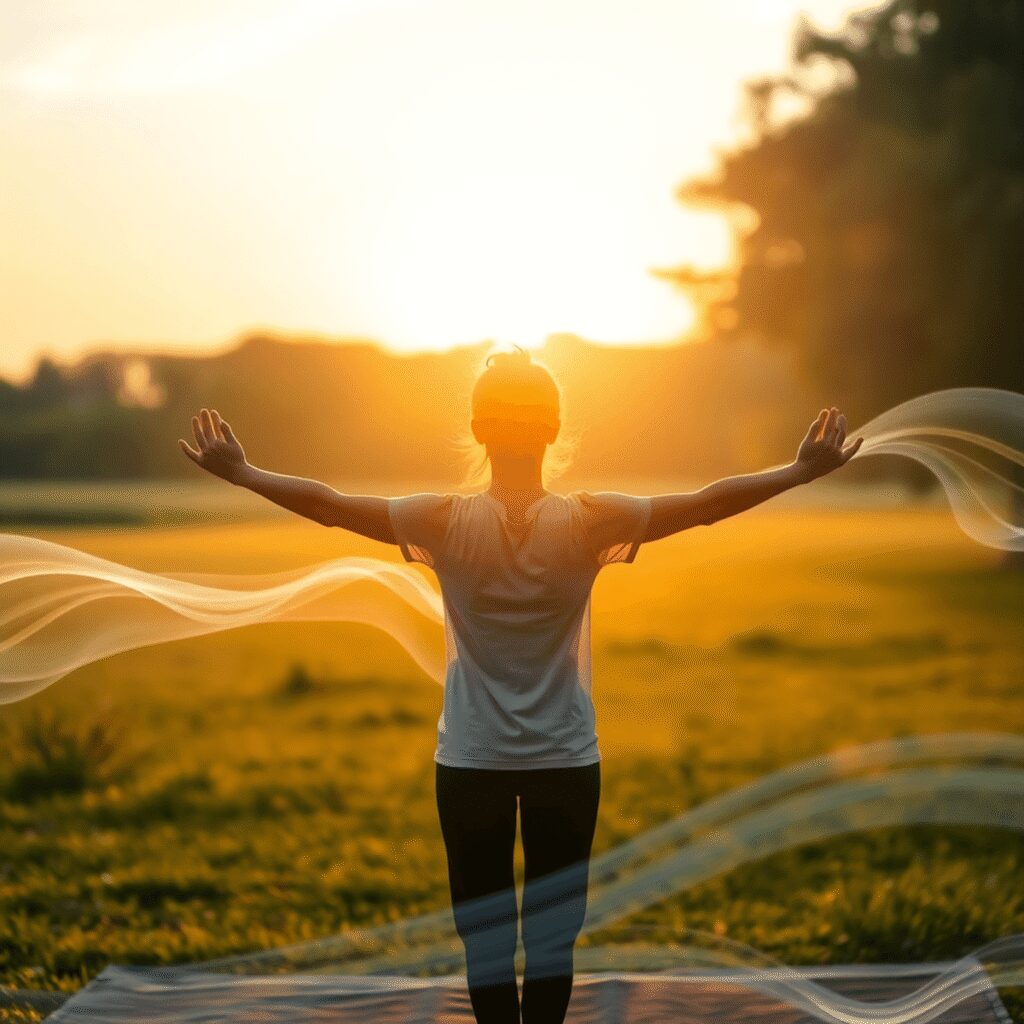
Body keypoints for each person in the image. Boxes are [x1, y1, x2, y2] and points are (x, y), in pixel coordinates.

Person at [178, 347, 862, 1024]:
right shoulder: (592, 520)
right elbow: (707, 505)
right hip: (565, 761)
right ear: (553, 428)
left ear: (479, 429)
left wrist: (243, 473)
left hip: (469, 761)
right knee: (552, 943)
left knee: (485, 945)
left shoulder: (440, 520)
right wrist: (800, 470)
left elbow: (329, 506)